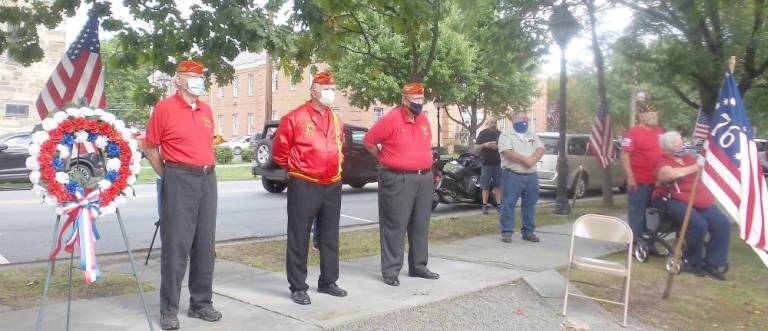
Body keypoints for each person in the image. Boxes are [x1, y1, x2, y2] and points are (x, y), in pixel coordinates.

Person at [144, 60, 222, 330]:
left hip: (206, 179)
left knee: (204, 245)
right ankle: (169, 309)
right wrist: (167, 175)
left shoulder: (206, 110)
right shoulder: (164, 109)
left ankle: (201, 304)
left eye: (201, 75)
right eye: (192, 75)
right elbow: (150, 147)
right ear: (178, 80)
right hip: (179, 177)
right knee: (176, 247)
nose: (198, 79)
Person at [272, 71, 348, 305]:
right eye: (326, 88)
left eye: (333, 88)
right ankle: (298, 286)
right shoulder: (294, 118)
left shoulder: (335, 118)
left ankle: (328, 281)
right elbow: (279, 153)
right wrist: (299, 168)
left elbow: (339, 144)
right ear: (314, 91)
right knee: (299, 235)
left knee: (329, 235)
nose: (331, 92)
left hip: (332, 183)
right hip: (304, 183)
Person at [363, 82, 439, 286]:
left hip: (423, 178)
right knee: (394, 225)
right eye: (415, 100)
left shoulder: (423, 119)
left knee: (420, 224)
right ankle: (390, 271)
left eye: (421, 99)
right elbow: (369, 141)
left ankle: (418, 266)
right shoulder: (391, 119)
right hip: (398, 179)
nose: (419, 103)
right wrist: (385, 159)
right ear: (404, 99)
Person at [652, 131, 730, 280]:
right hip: (671, 198)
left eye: (681, 142)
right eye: (677, 144)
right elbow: (668, 175)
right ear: (667, 149)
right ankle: (692, 262)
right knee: (698, 224)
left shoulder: (688, 158)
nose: (682, 145)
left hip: (698, 198)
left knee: (722, 224)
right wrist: (696, 168)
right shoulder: (661, 161)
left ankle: (713, 264)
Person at [620, 104, 664, 251]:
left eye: (655, 115)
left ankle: (650, 244)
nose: (653, 117)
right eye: (650, 115)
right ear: (641, 116)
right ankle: (635, 244)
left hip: (657, 181)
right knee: (637, 213)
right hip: (639, 181)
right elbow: (624, 155)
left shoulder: (660, 132)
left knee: (653, 215)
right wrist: (630, 177)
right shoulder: (632, 133)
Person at [497, 111, 544, 243]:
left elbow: (540, 149)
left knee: (529, 205)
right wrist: (525, 160)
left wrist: (533, 160)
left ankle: (528, 232)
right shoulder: (506, 135)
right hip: (512, 175)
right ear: (513, 119)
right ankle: (507, 232)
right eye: (522, 118)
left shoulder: (532, 135)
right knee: (508, 204)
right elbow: (507, 153)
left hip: (531, 176)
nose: (525, 120)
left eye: (526, 118)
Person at [475, 117, 502, 214]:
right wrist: (485, 145)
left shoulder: (499, 134)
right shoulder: (483, 133)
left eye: (495, 122)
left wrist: (497, 147)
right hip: (486, 164)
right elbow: (476, 147)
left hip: (498, 164)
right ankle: (485, 206)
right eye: (492, 122)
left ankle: (499, 205)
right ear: (488, 123)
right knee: (485, 186)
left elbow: (505, 147)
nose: (493, 124)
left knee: (498, 185)